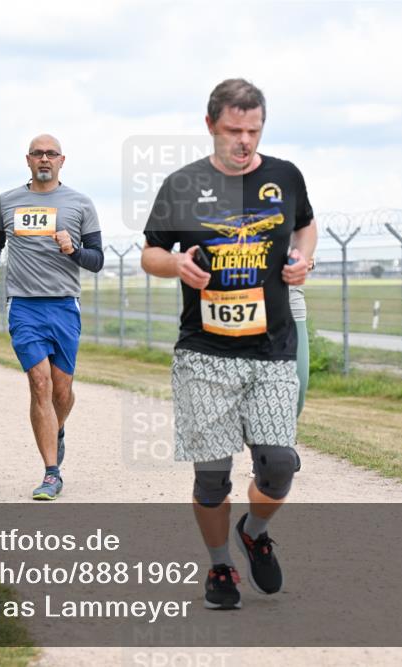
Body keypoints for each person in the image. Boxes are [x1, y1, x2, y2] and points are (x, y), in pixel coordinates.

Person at [140, 79, 316, 610]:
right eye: (234, 130)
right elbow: (150, 253)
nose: (244, 141)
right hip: (205, 352)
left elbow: (306, 226)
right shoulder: (182, 184)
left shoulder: (285, 176)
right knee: (212, 477)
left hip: (271, 348)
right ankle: (220, 567)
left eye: (254, 131)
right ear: (210, 125)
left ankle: (254, 532)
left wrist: (303, 259)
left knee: (279, 464)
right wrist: (176, 263)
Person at [0, 133, 104, 501]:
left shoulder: (80, 203)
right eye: (38, 153)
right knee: (40, 383)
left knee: (62, 392)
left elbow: (97, 260)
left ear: (62, 160)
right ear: (28, 160)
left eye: (51, 153)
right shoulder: (7, 201)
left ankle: (56, 428)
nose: (45, 159)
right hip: (24, 305)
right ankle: (52, 473)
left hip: (64, 305)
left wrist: (73, 250)